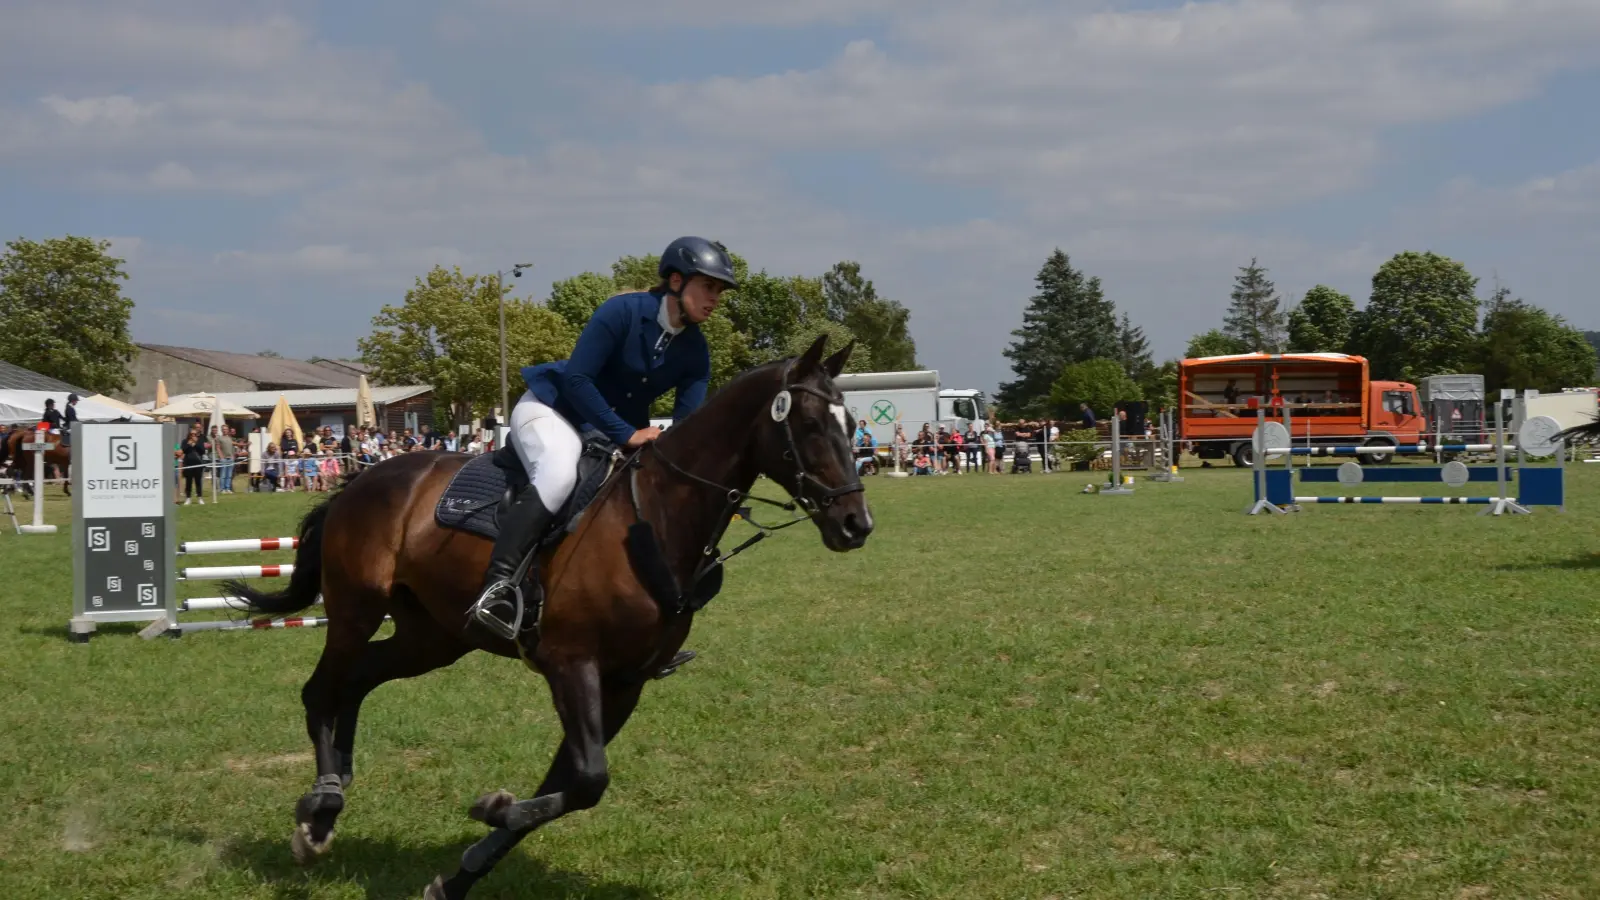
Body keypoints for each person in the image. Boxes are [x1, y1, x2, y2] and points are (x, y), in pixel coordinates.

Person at [468, 237, 738, 664]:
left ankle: (649, 624)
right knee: (558, 473)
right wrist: (627, 435)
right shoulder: (622, 312)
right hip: (553, 408)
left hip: (610, 431)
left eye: (720, 291)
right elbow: (577, 379)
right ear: (675, 280)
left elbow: (689, 427)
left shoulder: (695, 351)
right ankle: (498, 588)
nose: (715, 299)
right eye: (709, 286)